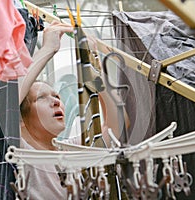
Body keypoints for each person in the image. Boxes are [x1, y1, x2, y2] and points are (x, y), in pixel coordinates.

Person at [17, 20, 130, 199]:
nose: (55, 102)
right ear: (21, 121)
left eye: (56, 96)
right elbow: (7, 103)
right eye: (41, 98)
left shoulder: (70, 150)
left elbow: (117, 128)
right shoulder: (22, 151)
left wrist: (96, 75)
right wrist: (49, 48)